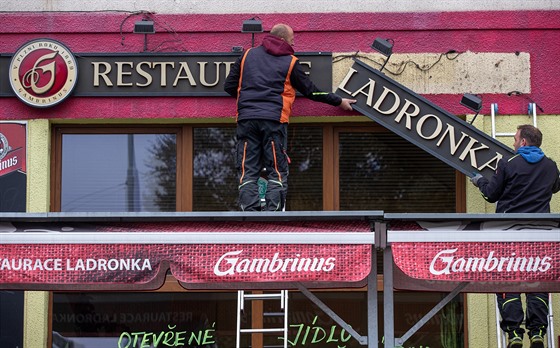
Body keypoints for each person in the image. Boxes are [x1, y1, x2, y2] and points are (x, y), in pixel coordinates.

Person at [224, 23, 356, 211]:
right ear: (283, 39)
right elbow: (311, 92)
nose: (294, 41)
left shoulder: (246, 55)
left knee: (247, 170)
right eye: (292, 38)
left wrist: (251, 98)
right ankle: (273, 215)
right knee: (276, 171)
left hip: (246, 120)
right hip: (274, 121)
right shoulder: (291, 62)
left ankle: (250, 215)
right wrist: (338, 101)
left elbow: (229, 86)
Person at [471, 124, 560, 348]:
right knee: (537, 282)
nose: (512, 142)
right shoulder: (550, 166)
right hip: (540, 236)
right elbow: (555, 187)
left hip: (509, 235)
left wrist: (479, 180)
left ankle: (514, 334)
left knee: (509, 281)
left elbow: (491, 195)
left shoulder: (509, 163)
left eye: (514, 138)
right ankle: (538, 331)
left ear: (523, 142)